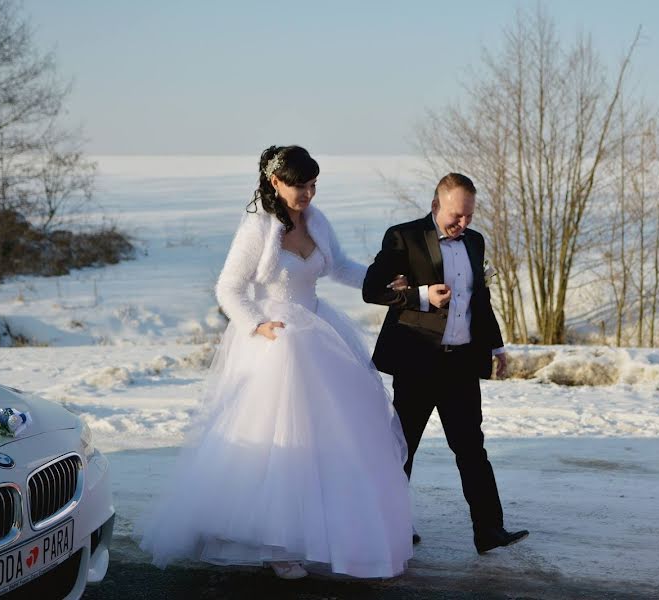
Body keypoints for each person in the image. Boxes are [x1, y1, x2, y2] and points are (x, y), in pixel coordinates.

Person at [138, 146, 413, 579]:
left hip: (319, 335)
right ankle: (276, 543)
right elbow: (229, 288)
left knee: (333, 439)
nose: (307, 193)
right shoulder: (257, 228)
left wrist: (383, 281)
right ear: (275, 182)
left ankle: (325, 533)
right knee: (280, 442)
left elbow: (339, 267)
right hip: (275, 342)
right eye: (299, 185)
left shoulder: (317, 221)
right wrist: (257, 325)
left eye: (312, 184)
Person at [362, 173, 529, 554]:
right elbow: (372, 290)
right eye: (456, 216)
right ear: (436, 204)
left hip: (461, 365)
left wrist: (497, 347)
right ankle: (391, 526)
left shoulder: (475, 241)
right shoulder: (402, 237)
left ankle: (489, 531)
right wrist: (420, 296)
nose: (463, 224)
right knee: (401, 451)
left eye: (469, 215)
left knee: (472, 449)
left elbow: (478, 300)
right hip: (417, 364)